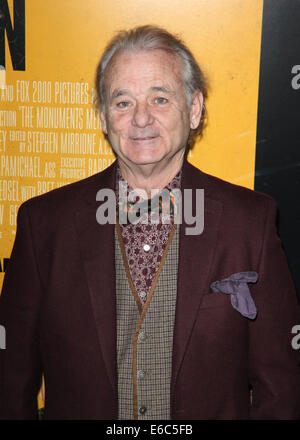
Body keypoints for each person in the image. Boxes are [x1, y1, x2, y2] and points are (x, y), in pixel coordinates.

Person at [0, 25, 299, 420]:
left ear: (193, 109)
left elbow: (280, 386)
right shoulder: (44, 224)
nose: (141, 118)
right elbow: (11, 380)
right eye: (123, 102)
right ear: (104, 117)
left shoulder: (251, 223)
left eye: (160, 98)